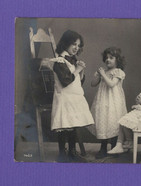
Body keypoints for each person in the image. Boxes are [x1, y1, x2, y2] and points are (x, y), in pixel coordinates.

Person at [50, 30, 94, 162]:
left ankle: (72, 152)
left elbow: (78, 82)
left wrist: (81, 71)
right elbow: (66, 81)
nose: (76, 47)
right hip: (64, 98)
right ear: (65, 43)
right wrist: (78, 70)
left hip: (74, 97)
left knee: (73, 124)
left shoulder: (72, 61)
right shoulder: (59, 61)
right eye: (73, 44)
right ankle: (62, 154)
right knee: (65, 125)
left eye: (78, 45)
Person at [89, 47, 127, 159]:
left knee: (114, 122)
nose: (108, 60)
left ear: (117, 60)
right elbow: (92, 84)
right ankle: (103, 147)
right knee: (103, 122)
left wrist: (103, 75)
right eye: (106, 58)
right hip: (103, 100)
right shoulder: (103, 72)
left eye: (111, 58)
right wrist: (97, 76)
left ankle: (115, 146)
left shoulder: (119, 72)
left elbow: (111, 84)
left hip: (114, 101)